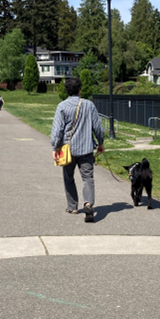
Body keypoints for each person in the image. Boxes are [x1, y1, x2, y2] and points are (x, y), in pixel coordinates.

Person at [51, 77, 104, 222]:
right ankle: (88, 203)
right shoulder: (89, 105)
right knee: (88, 178)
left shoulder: (61, 106)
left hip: (67, 149)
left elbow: (57, 131)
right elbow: (98, 127)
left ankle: (72, 206)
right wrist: (100, 142)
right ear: (80, 89)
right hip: (86, 148)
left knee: (68, 177)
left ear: (67, 90)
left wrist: (54, 147)